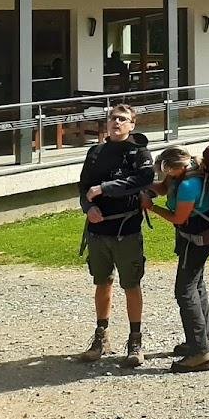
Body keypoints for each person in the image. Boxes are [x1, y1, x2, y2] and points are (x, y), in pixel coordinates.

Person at [77, 102, 154, 366]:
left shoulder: (139, 152)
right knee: (102, 283)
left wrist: (105, 188)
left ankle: (135, 341)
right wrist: (88, 208)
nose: (116, 122)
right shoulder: (95, 152)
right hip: (98, 231)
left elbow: (143, 179)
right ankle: (101, 337)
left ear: (132, 125)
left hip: (127, 230)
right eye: (113, 118)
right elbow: (84, 188)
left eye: (122, 119)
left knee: (131, 285)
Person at [144, 145, 209, 373]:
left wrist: (151, 207)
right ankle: (203, 339)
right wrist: (140, 184)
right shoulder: (183, 173)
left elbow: (178, 218)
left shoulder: (188, 185)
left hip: (196, 241)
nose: (163, 175)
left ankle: (200, 353)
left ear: (172, 167)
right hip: (197, 238)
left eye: (164, 171)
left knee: (184, 291)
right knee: (197, 285)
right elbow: (163, 188)